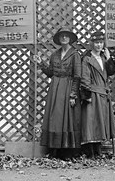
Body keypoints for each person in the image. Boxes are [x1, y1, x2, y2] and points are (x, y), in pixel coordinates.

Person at [35, 27, 82, 159]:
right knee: (54, 118)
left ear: (70, 39)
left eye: (66, 36)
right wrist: (41, 64)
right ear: (59, 39)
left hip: (67, 88)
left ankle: (67, 152)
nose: (64, 38)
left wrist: (73, 95)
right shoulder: (55, 54)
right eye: (62, 36)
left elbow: (77, 76)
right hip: (55, 89)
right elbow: (50, 73)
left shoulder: (75, 55)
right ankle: (54, 150)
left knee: (67, 119)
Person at [80, 31, 115, 157]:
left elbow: (111, 72)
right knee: (91, 123)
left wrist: (109, 57)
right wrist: (87, 94)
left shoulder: (103, 58)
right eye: (96, 43)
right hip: (92, 93)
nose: (99, 45)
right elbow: (84, 77)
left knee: (101, 123)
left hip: (103, 94)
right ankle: (90, 152)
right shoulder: (87, 59)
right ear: (92, 44)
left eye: (101, 43)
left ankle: (98, 150)